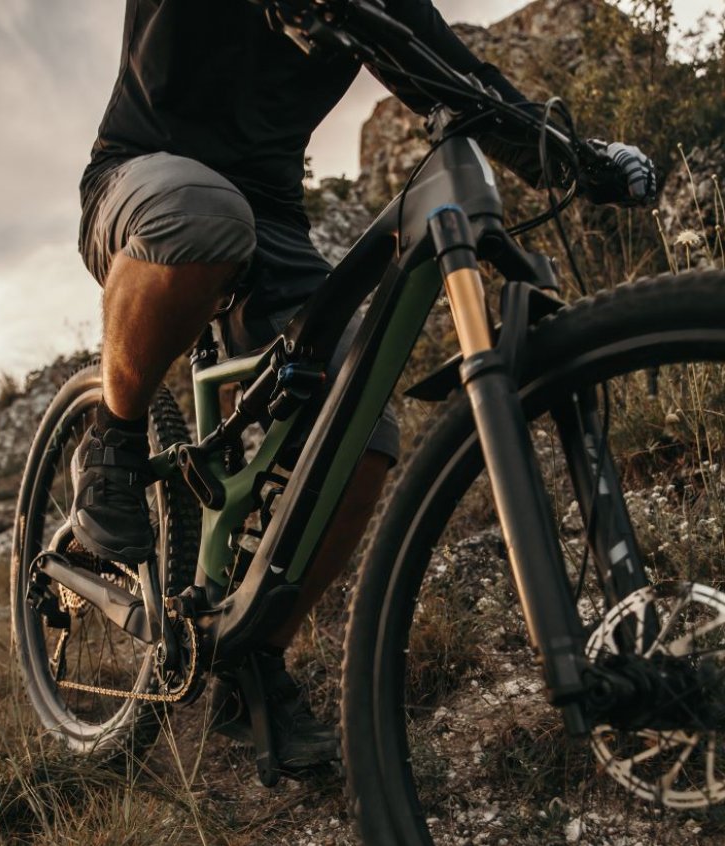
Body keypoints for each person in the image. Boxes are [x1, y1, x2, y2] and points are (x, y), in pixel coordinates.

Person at [73, 0, 655, 774]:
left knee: (363, 428)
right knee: (204, 213)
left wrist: (579, 159)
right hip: (142, 176)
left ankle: (254, 666)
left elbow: (462, 77)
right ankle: (111, 437)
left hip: (275, 223)